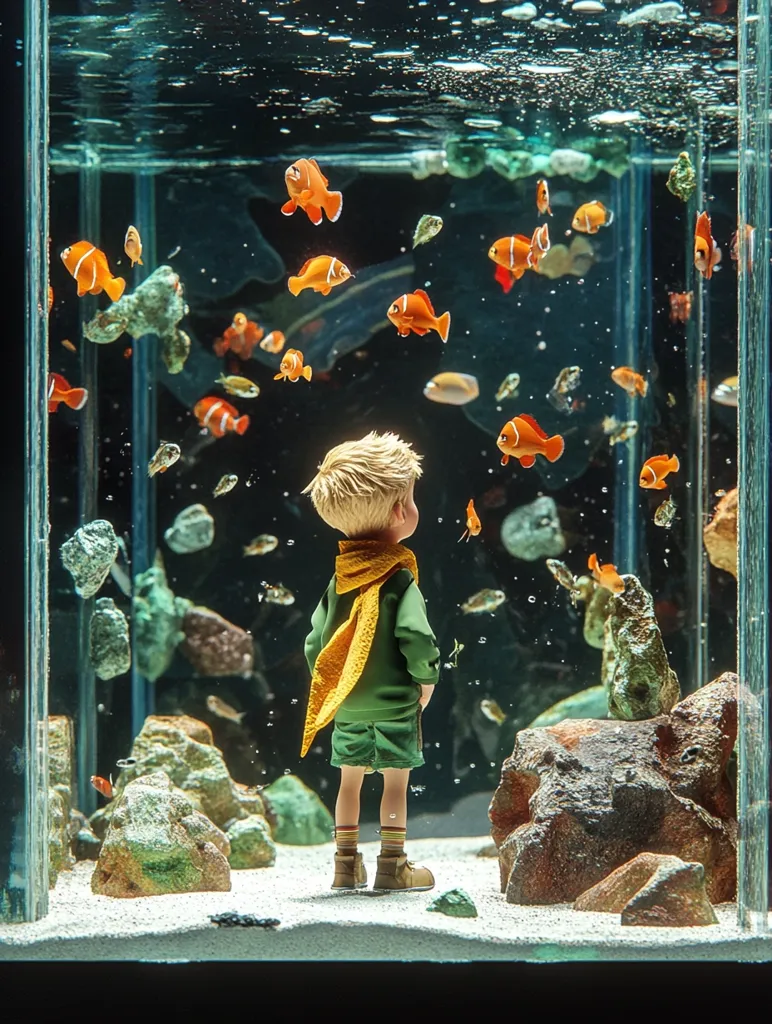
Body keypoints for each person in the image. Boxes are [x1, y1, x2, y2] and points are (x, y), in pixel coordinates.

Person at [301, 430, 441, 892]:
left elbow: (314, 644)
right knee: (396, 785)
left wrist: (334, 689)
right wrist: (426, 680)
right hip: (396, 705)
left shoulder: (339, 582)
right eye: (412, 498)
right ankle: (393, 865)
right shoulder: (398, 580)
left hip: (348, 706)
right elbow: (416, 636)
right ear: (401, 511)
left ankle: (344, 866)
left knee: (348, 784)